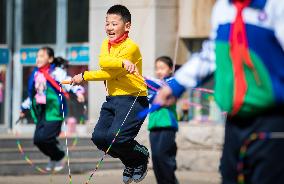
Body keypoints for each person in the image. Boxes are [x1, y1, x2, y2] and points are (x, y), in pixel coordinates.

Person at [153, 0, 284, 183]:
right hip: (235, 121)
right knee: (229, 175)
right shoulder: (223, 8)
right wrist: (176, 85)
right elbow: (211, 53)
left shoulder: (276, 6)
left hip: (272, 120)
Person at [71, 5, 149, 184]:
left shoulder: (131, 47)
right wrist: (121, 62)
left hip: (133, 98)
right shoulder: (106, 45)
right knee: (100, 138)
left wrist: (84, 76)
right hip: (113, 99)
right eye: (107, 23)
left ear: (127, 26)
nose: (109, 27)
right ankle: (130, 162)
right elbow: (104, 63)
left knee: (118, 138)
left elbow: (110, 73)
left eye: (114, 23)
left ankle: (140, 156)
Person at [21, 47, 85, 172]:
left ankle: (59, 156)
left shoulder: (56, 72)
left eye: (41, 56)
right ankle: (53, 156)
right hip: (41, 111)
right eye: (37, 56)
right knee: (38, 140)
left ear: (50, 59)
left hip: (55, 111)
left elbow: (68, 83)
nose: (38, 59)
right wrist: (23, 108)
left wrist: (78, 92)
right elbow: (32, 94)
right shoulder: (35, 74)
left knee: (46, 138)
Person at [147, 56, 179, 184]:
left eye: (162, 68)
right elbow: (152, 98)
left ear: (170, 69)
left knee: (163, 156)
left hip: (167, 124)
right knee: (156, 158)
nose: (159, 71)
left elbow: (169, 98)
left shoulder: (173, 82)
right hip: (154, 125)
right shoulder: (152, 86)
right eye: (157, 68)